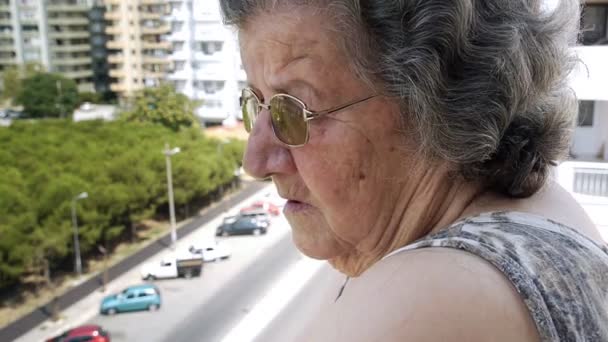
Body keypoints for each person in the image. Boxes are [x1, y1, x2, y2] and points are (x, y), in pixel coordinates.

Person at [222, 0, 608, 340]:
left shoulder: (436, 298)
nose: (255, 162)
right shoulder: (542, 210)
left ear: (429, 103)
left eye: (293, 109)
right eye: (256, 103)